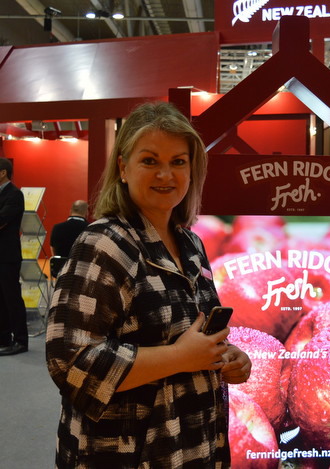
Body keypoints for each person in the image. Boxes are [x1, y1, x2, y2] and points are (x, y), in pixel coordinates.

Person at [46, 101, 252, 468]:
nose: (165, 174)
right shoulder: (104, 244)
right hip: (124, 454)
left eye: (178, 162)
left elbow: (187, 332)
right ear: (123, 168)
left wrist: (225, 355)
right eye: (150, 160)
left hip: (191, 446)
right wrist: (179, 357)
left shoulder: (191, 244)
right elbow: (69, 360)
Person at [0, 157, 29, 356]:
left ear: (3, 173)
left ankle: (20, 340)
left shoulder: (15, 194)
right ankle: (3, 338)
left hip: (8, 255)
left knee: (12, 298)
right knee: (1, 299)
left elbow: (2, 219)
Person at [49, 200, 89, 279]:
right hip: (81, 272)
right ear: (86, 213)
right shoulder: (89, 228)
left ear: (70, 211)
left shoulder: (57, 228)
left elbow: (53, 250)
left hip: (60, 271)